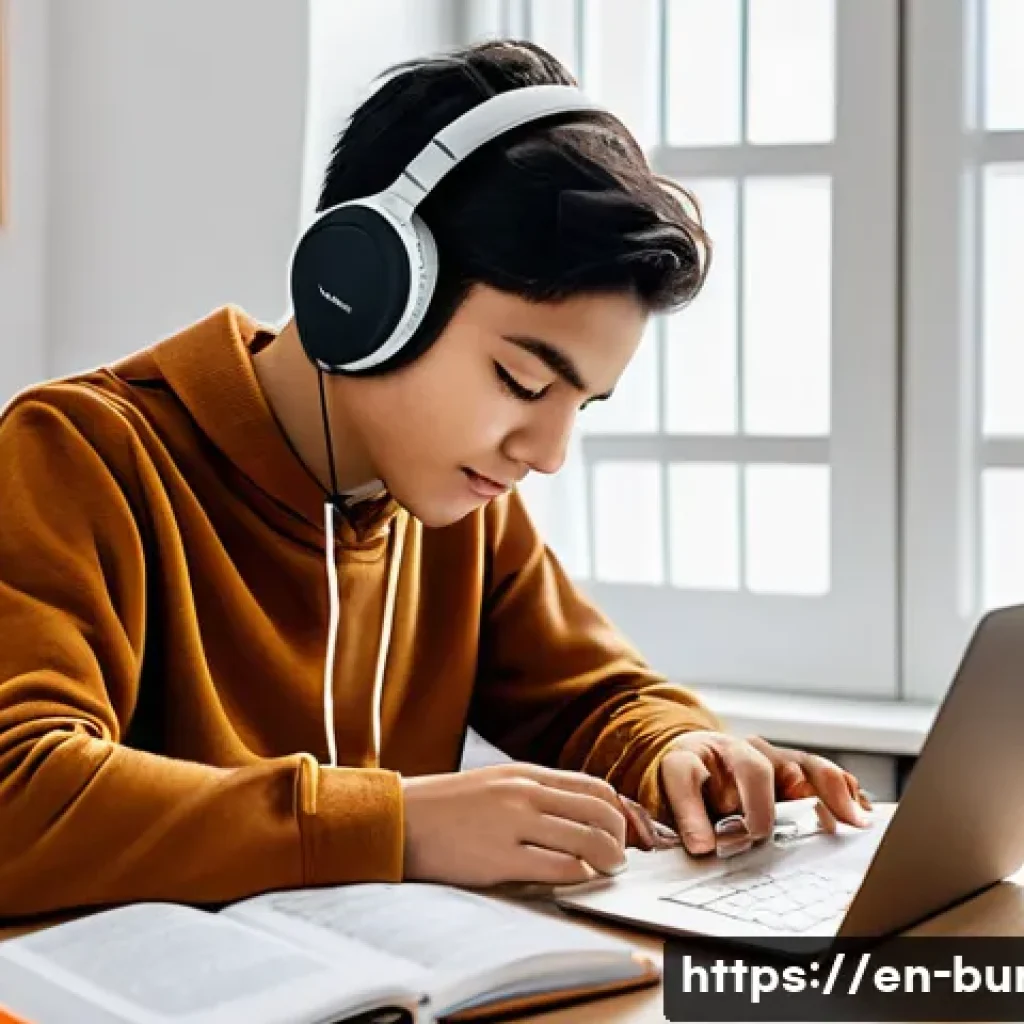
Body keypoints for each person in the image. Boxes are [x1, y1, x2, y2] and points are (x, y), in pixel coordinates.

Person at [0, 40, 870, 920]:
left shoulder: (458, 506)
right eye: (523, 383)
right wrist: (398, 827)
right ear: (368, 289)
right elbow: (13, 795)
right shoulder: (79, 455)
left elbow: (592, 696)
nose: (547, 451)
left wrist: (678, 750)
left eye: (582, 404)